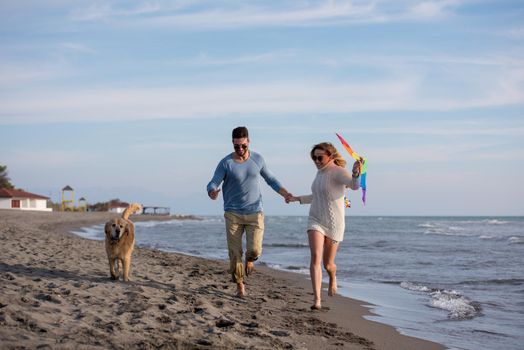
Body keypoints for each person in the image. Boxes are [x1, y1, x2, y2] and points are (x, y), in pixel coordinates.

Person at [207, 126, 292, 297]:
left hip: (255, 212)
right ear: (232, 143)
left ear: (248, 142)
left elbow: (271, 180)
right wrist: (212, 191)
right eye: (236, 146)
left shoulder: (257, 159)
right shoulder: (226, 163)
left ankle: (251, 259)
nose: (240, 149)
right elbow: (213, 182)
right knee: (235, 252)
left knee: (254, 250)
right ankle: (240, 285)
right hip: (233, 213)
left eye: (243, 146)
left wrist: (285, 193)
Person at [287, 142, 361, 310]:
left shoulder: (338, 172)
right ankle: (317, 299)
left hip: (334, 225)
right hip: (315, 219)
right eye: (314, 158)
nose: (317, 161)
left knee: (328, 264)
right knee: (315, 257)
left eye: (320, 157)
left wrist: (356, 173)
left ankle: (332, 276)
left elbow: (355, 186)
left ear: (330, 156)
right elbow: (316, 196)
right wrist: (297, 198)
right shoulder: (319, 174)